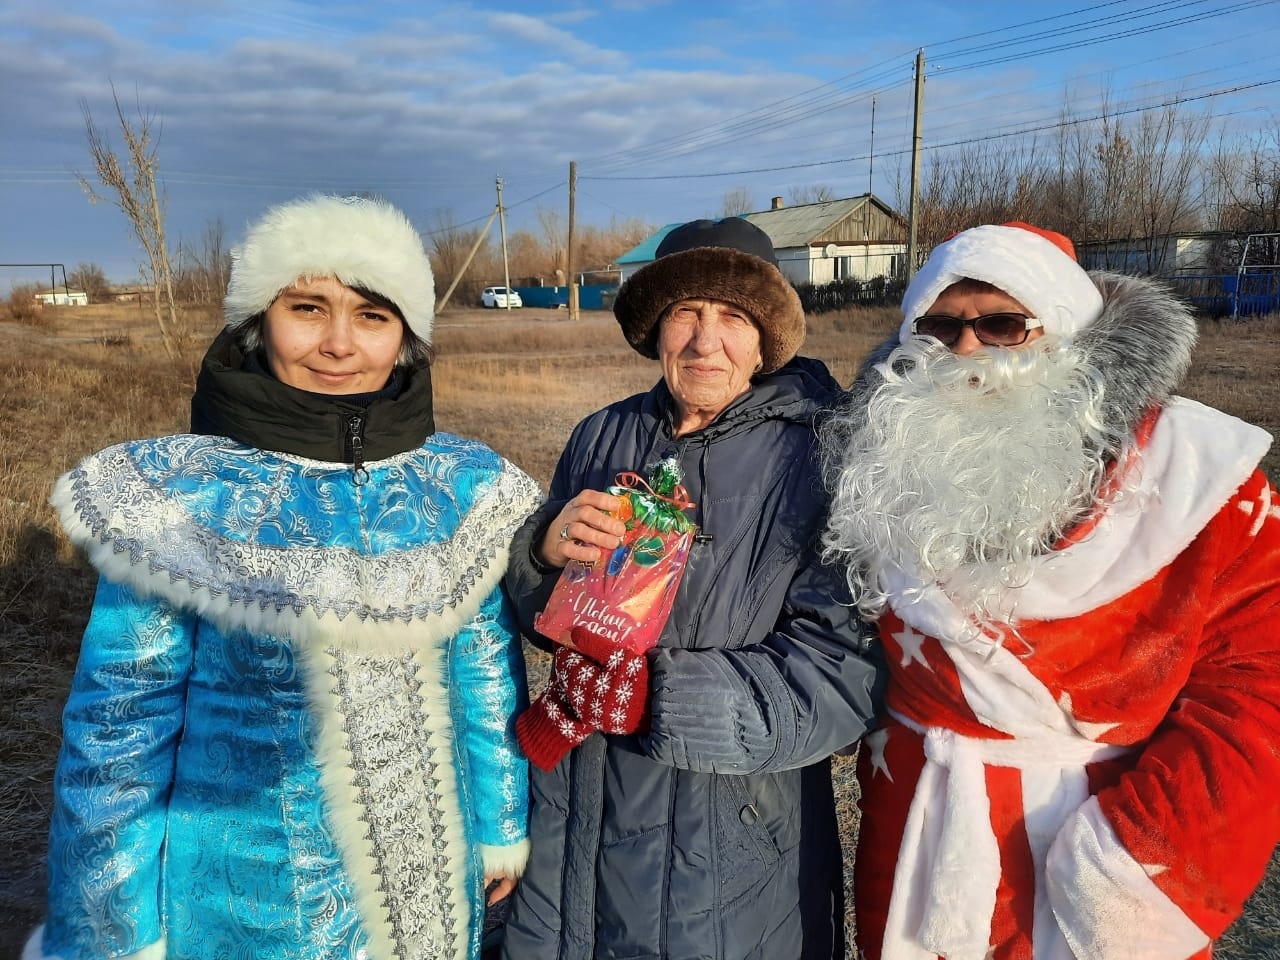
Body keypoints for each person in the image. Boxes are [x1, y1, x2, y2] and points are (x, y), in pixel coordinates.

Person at [27, 194, 541, 960]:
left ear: (405, 337)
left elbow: (483, 666)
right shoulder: (181, 496)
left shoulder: (454, 485)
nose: (338, 343)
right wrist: (113, 931)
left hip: (435, 881)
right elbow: (117, 737)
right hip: (248, 904)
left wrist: (500, 824)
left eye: (372, 315)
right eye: (308, 308)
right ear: (259, 320)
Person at [820, 221, 1280, 960]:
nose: (967, 350)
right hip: (919, 828)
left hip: (1104, 827)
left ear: (1065, 333)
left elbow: (1260, 689)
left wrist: (1139, 858)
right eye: (940, 327)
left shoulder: (1199, 479)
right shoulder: (880, 465)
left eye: (1003, 324)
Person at [498, 217, 885, 960]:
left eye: (735, 317)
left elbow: (844, 670)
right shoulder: (601, 437)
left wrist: (664, 698)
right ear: (655, 328)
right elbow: (545, 617)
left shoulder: (827, 454)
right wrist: (543, 555)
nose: (707, 343)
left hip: (728, 848)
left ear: (768, 335)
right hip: (580, 811)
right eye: (687, 314)